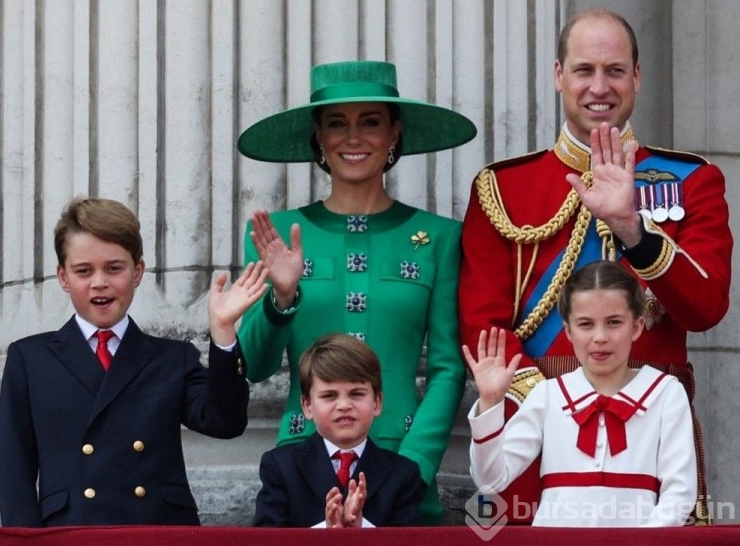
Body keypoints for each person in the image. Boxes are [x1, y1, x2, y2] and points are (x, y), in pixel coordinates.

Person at [459, 8, 730, 523]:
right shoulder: (503, 187)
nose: (599, 86)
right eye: (584, 70)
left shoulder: (692, 179)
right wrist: (559, 404)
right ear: (559, 75)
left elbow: (707, 306)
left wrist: (635, 232)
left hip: (653, 421)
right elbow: (482, 324)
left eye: (615, 70)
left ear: (638, 77)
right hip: (536, 429)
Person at [236, 60, 476, 523]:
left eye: (370, 122)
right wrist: (280, 299)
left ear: (394, 134)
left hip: (403, 463)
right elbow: (255, 366)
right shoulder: (278, 233)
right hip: (303, 464)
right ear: (319, 138)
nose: (353, 137)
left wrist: (416, 464)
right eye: (336, 124)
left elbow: (448, 367)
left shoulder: (440, 236)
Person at [0, 197, 268, 527]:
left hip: (157, 529)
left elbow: (224, 422)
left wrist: (222, 330)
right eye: (83, 271)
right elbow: (14, 468)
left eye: (114, 268)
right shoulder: (31, 358)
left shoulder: (171, 358)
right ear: (63, 277)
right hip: (72, 532)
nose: (100, 282)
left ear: (137, 272)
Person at [465, 260, 697, 527]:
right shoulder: (548, 394)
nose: (600, 337)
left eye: (613, 323)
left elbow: (679, 495)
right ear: (568, 331)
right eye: (586, 324)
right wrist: (490, 404)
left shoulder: (666, 394)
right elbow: (491, 480)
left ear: (636, 327)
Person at [253, 333, 424, 527]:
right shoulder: (281, 466)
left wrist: (361, 530)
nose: (343, 405)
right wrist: (326, 531)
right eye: (329, 395)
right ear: (307, 405)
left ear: (377, 403)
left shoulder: (402, 473)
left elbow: (407, 539)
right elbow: (266, 537)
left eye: (357, 393)